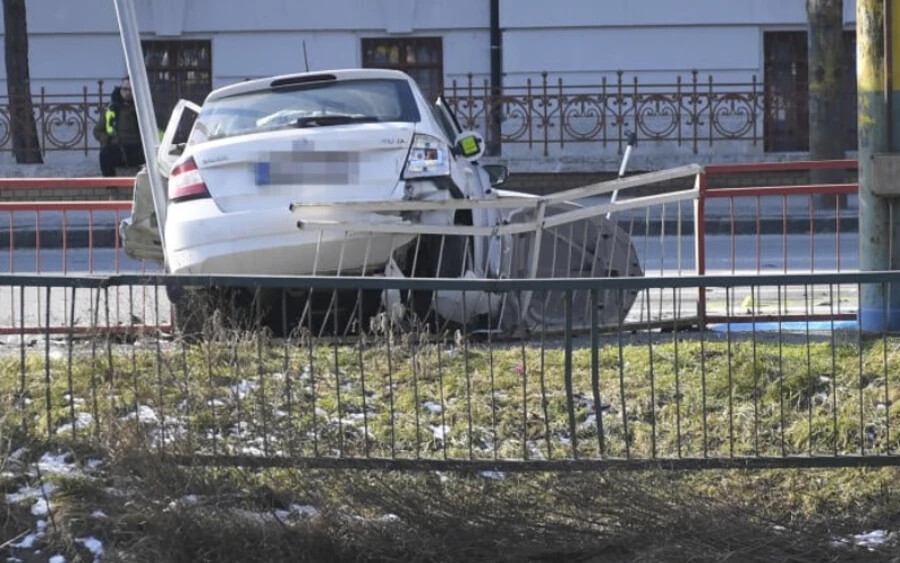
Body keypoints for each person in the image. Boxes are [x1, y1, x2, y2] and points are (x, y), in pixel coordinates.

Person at [93, 77, 145, 177]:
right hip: (118, 147)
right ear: (120, 89)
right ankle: (111, 188)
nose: (127, 93)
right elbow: (97, 131)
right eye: (125, 89)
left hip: (139, 147)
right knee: (105, 154)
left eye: (131, 90)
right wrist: (106, 139)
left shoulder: (142, 108)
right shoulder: (111, 109)